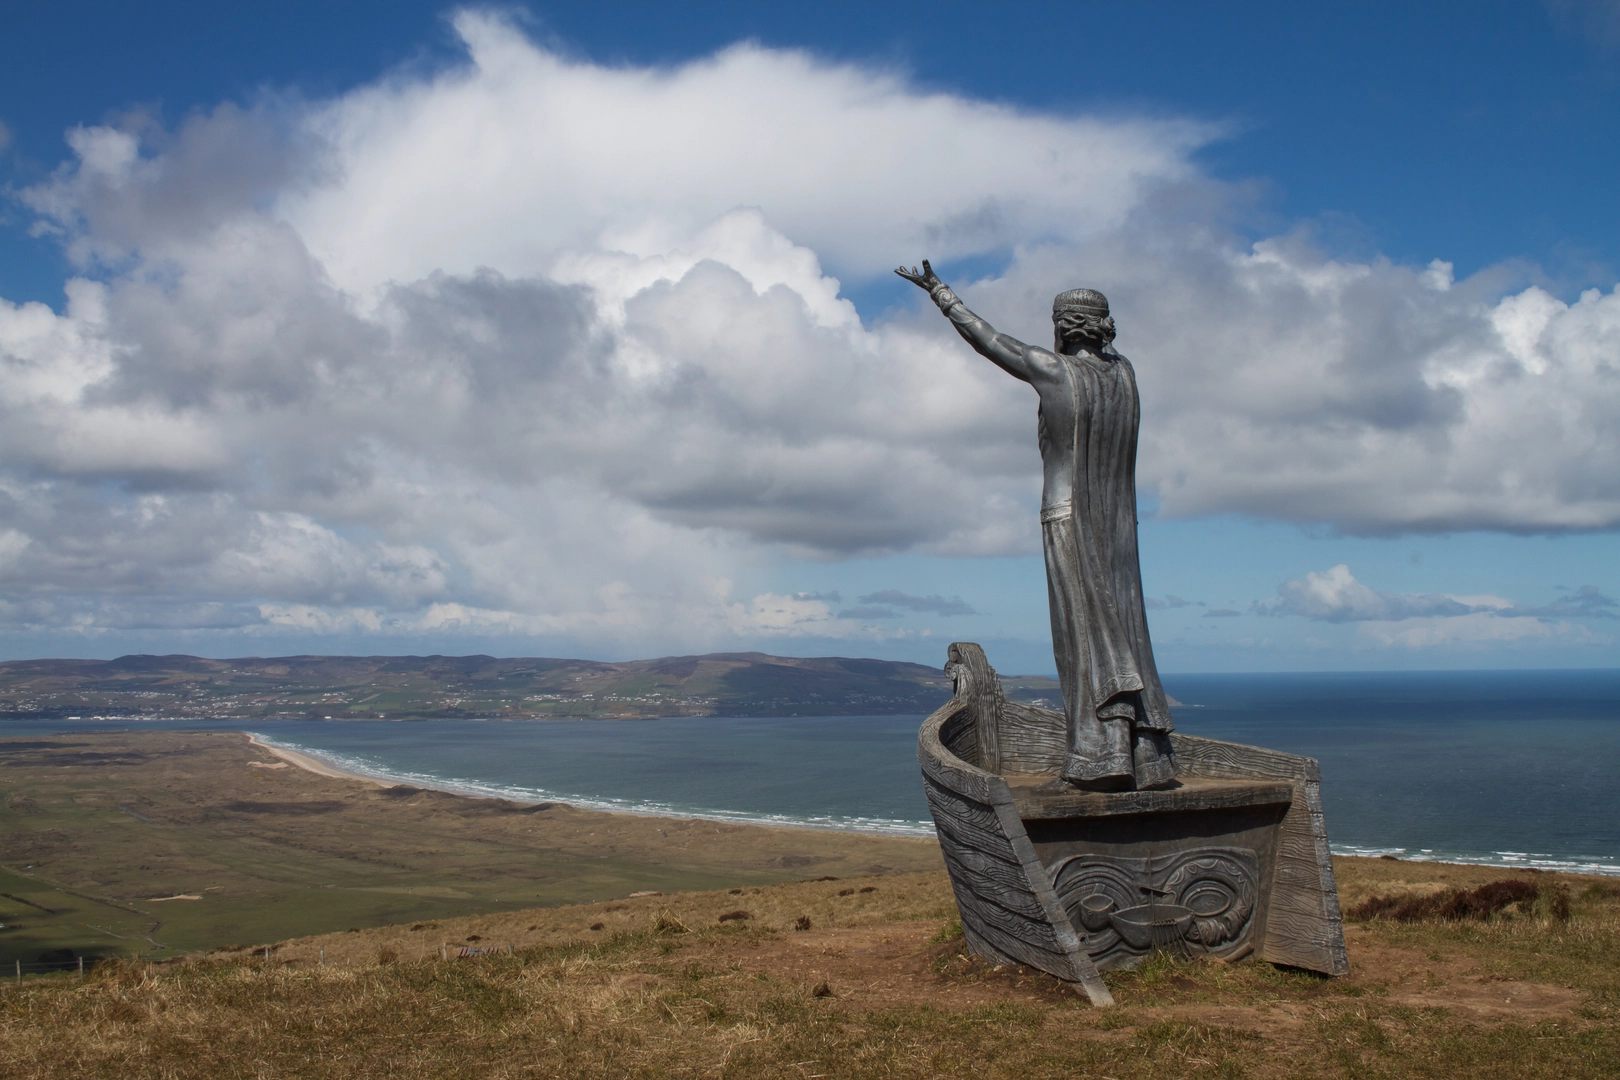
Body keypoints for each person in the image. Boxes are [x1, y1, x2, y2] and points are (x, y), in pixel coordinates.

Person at [896, 260, 1174, 790]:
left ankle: (1101, 757)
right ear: (1104, 326)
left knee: (1083, 636)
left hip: (1067, 515)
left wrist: (939, 292)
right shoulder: (1126, 375)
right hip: (1119, 525)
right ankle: (1146, 753)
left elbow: (990, 341)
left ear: (1062, 327)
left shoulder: (1055, 370)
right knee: (1125, 631)